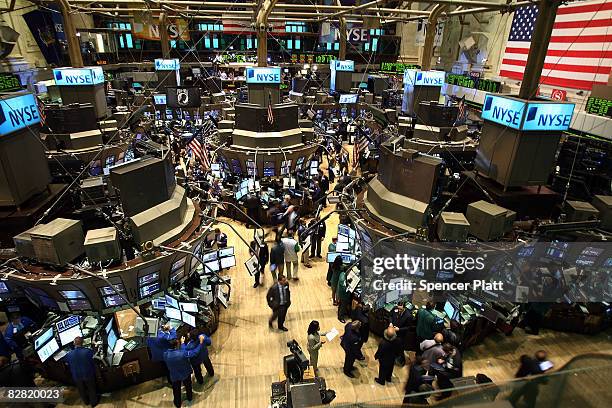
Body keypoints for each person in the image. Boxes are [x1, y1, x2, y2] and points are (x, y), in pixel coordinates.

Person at [164, 335, 206, 408]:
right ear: (177, 345)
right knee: (188, 386)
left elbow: (181, 351)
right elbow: (195, 352)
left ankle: (177, 404)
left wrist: (182, 344)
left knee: (176, 391)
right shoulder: (183, 353)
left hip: (174, 375)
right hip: (185, 373)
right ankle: (189, 397)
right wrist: (201, 343)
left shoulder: (165, 354)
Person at [65, 336, 98, 407]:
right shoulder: (88, 351)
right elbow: (93, 360)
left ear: (74, 343)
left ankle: (86, 402)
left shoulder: (68, 354)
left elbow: (67, 363)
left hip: (76, 376)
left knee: (81, 390)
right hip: (88, 374)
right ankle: (94, 403)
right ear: (83, 343)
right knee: (91, 388)